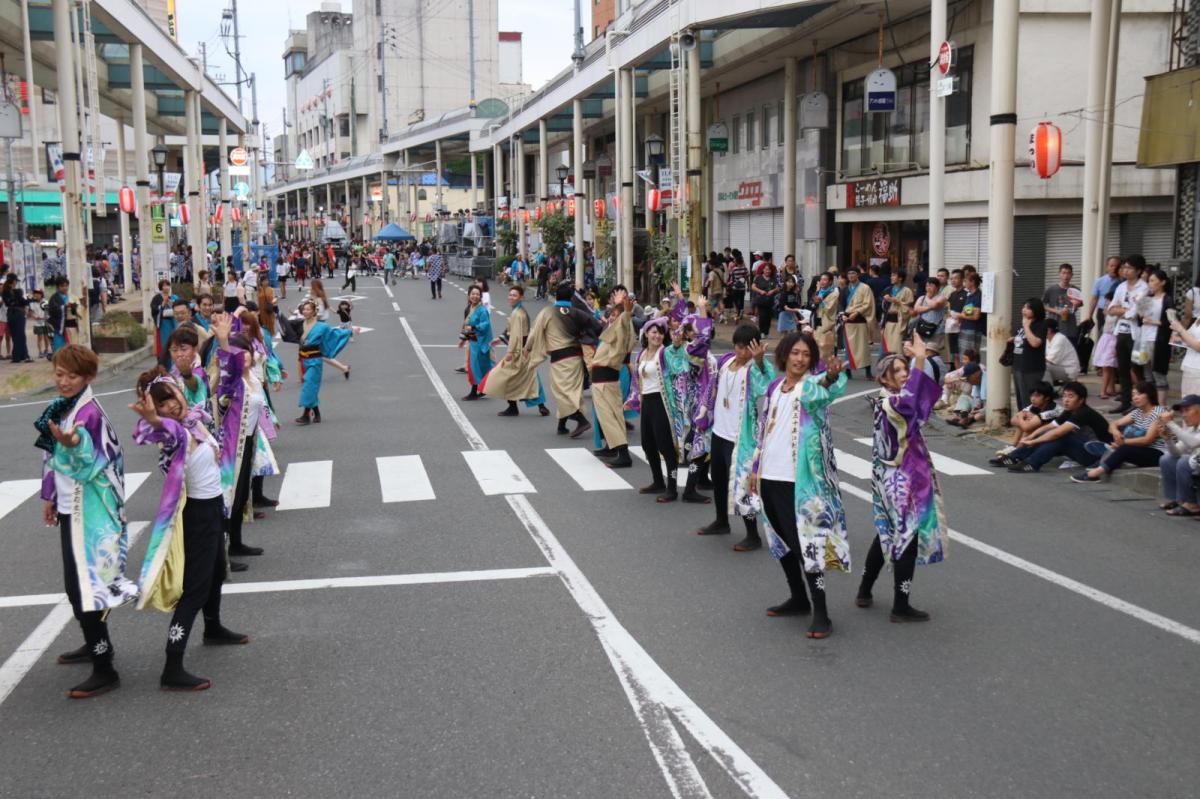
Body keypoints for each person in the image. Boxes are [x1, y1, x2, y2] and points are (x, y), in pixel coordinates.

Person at [129, 369, 249, 691]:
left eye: (172, 397)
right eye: (161, 403)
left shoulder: (195, 421)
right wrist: (155, 420)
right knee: (195, 588)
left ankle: (213, 628)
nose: (170, 406)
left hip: (214, 507)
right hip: (196, 514)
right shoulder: (175, 436)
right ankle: (172, 664)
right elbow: (159, 430)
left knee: (216, 571)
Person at [35, 345, 138, 698]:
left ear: (89, 377)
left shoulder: (89, 413)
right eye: (59, 374)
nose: (63, 381)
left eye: (72, 376)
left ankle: (104, 665)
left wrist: (72, 445)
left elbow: (91, 462)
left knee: (86, 588)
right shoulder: (63, 406)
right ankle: (92, 642)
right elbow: (51, 454)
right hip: (71, 507)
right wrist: (51, 494)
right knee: (75, 586)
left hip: (92, 513)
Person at [746, 331, 849, 639]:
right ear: (785, 355)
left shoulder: (812, 386)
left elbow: (825, 390)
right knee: (781, 541)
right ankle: (798, 598)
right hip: (769, 476)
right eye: (795, 353)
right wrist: (755, 468)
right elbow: (764, 429)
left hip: (800, 481)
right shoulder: (776, 387)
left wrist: (830, 376)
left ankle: (822, 612)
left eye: (806, 354)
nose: (800, 359)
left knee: (807, 544)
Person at [855, 331, 947, 622]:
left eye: (905, 369)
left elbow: (922, 398)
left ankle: (864, 590)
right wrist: (919, 359)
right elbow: (911, 401)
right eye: (897, 371)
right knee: (908, 537)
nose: (904, 374)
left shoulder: (890, 401)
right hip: (902, 481)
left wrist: (919, 364)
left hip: (895, 477)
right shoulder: (891, 403)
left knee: (887, 533)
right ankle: (900, 605)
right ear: (884, 378)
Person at [697, 323, 775, 550]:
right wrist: (704, 417)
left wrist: (759, 361)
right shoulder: (726, 362)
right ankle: (721, 521)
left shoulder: (753, 370)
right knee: (719, 479)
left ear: (754, 347)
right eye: (738, 346)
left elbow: (766, 385)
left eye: (746, 348)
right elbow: (711, 389)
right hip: (719, 432)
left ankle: (753, 535)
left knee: (743, 486)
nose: (741, 352)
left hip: (740, 438)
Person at [525, 282, 600, 438]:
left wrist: (527, 348)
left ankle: (581, 420)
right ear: (571, 297)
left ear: (556, 296)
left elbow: (534, 332)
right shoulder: (578, 312)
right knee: (571, 391)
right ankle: (562, 425)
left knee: (562, 392)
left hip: (560, 359)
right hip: (576, 358)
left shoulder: (547, 312)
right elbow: (597, 327)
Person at [626, 317, 683, 501]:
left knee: (665, 446)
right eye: (654, 332)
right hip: (647, 402)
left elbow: (677, 358)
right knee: (647, 444)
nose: (657, 336)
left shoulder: (664, 353)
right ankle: (658, 481)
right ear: (646, 334)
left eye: (660, 333)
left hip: (661, 402)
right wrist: (632, 399)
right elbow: (637, 381)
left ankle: (672, 489)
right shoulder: (641, 354)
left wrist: (676, 345)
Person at [996, 381, 1111, 473]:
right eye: (1064, 396)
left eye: (1070, 396)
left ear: (1081, 400)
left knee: (1063, 436)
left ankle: (1032, 463)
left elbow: (1057, 433)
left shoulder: (1084, 413)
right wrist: (1031, 436)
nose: (1066, 400)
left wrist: (1033, 441)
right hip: (1082, 449)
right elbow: (1050, 426)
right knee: (1048, 433)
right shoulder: (1069, 411)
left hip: (1096, 456)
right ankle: (1013, 457)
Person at [1072, 381, 1167, 482]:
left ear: (1149, 395)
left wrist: (1123, 442)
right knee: (1122, 431)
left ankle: (1095, 473)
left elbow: (1147, 440)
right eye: (1133, 395)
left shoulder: (1159, 412)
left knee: (1124, 448)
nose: (1135, 398)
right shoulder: (1138, 412)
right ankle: (1110, 454)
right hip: (1142, 449)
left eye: (1139, 394)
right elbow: (1113, 424)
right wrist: (1116, 433)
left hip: (1159, 454)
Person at [482, 285, 549, 416]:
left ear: (521, 297)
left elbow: (516, 336)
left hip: (519, 352)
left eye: (514, 295)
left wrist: (511, 353)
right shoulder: (518, 311)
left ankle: (514, 407)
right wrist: (500, 339)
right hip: (522, 350)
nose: (511, 297)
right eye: (510, 294)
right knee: (530, 378)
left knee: (508, 377)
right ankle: (539, 406)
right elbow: (512, 331)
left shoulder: (518, 314)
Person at [588, 286, 636, 468]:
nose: (612, 318)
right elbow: (615, 325)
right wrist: (618, 308)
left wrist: (624, 312)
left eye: (616, 315)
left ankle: (623, 454)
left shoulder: (623, 328)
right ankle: (612, 447)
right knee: (607, 416)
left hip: (606, 380)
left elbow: (623, 325)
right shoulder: (615, 330)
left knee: (610, 417)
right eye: (612, 315)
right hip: (603, 380)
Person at [1108, 255, 1148, 414]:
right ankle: (1125, 401)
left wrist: (1122, 311)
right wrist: (1124, 310)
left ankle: (1142, 404)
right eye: (1124, 267)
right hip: (1121, 332)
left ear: (1138, 271)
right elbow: (1110, 309)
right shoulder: (1121, 286)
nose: (1125, 270)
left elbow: (1136, 313)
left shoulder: (1144, 288)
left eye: (1129, 268)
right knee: (1122, 369)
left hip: (1136, 334)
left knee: (1137, 369)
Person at [1156, 395, 1200, 516]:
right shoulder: (1192, 430)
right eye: (1182, 412)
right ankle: (1176, 499)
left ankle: (1192, 504)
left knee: (1185, 461)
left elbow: (1193, 443)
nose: (1183, 415)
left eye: (1187, 410)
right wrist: (1168, 440)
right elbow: (1176, 452)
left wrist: (1170, 423)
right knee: (1166, 459)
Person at [1138, 268, 1174, 400]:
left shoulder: (1167, 299)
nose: (1150, 283)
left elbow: (1172, 321)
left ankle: (1161, 406)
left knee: (1158, 373)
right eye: (1149, 281)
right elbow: (1140, 317)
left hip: (1158, 340)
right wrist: (1141, 299)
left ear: (1162, 282)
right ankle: (1150, 403)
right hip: (1144, 338)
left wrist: (1153, 322)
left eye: (1153, 281)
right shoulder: (1148, 298)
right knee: (1147, 373)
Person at [1010, 298, 1048, 410]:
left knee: (1029, 400)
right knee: (1020, 399)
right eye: (1024, 307)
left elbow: (1035, 343)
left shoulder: (1041, 325)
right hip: (1018, 366)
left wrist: (1026, 326)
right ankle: (1022, 418)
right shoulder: (1019, 325)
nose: (1024, 310)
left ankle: (1031, 418)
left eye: (1028, 308)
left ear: (1036, 310)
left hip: (1032, 368)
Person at [460, 285, 494, 401]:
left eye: (477, 294)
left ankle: (474, 391)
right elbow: (466, 325)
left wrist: (474, 327)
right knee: (477, 367)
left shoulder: (482, 310)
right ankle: (482, 389)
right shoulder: (468, 308)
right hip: (473, 340)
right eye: (473, 294)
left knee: (476, 367)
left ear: (480, 297)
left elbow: (485, 325)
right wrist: (463, 339)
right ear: (469, 295)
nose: (475, 296)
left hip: (480, 341)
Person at [842, 265, 876, 377]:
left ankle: (868, 371)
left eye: (853, 273)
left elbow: (868, 304)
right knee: (848, 348)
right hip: (848, 322)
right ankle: (848, 371)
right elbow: (841, 305)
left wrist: (857, 312)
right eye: (849, 274)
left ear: (858, 275)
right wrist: (842, 315)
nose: (851, 275)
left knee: (863, 348)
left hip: (860, 320)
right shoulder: (845, 289)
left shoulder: (865, 288)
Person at [880, 269, 914, 355]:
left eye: (894, 275)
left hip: (899, 324)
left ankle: (899, 362)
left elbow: (910, 309)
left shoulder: (907, 291)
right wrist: (883, 326)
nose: (891, 277)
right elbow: (883, 308)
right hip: (888, 323)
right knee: (887, 349)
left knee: (897, 348)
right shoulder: (887, 290)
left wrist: (897, 302)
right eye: (891, 275)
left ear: (900, 278)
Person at [2, 273, 32, 362]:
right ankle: (21, 356)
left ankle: (20, 356)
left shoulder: (6, 291)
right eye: (15, 281)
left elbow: (17, 301)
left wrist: (27, 300)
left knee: (16, 335)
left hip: (11, 314)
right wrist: (27, 300)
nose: (16, 283)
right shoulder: (12, 291)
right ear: (13, 281)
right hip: (17, 314)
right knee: (20, 335)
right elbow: (20, 302)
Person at [1169, 312, 1200, 396]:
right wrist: (1178, 337)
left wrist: (1180, 329)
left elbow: (1198, 347)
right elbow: (1190, 339)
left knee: (1194, 402)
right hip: (1189, 366)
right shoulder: (1198, 317)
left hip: (1197, 370)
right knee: (1186, 400)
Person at [1043, 317, 1082, 383]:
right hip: (1059, 367)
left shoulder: (1059, 339)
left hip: (1069, 370)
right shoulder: (1048, 339)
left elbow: (1049, 361)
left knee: (1043, 367)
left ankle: (1047, 389)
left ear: (1049, 330)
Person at [750, 262, 780, 337]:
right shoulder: (758, 277)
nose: (767, 271)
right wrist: (760, 291)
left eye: (769, 270)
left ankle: (767, 332)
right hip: (761, 300)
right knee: (762, 316)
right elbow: (753, 287)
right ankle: (762, 332)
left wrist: (773, 291)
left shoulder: (773, 278)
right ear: (763, 270)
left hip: (770, 301)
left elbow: (777, 288)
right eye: (766, 269)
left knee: (768, 317)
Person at [151, 280, 178, 357]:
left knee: (174, 342)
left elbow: (180, 305)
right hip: (163, 323)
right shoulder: (157, 298)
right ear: (161, 287)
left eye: (168, 285)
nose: (166, 287)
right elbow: (154, 309)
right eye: (164, 286)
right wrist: (162, 305)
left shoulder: (174, 297)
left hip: (173, 322)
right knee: (164, 343)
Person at [46, 276, 72, 352]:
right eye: (62, 286)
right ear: (57, 287)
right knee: (59, 348)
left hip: (70, 326)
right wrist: (65, 307)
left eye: (66, 286)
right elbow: (53, 310)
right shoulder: (54, 298)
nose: (65, 288)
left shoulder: (71, 297)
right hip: (58, 327)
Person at [726, 250, 749, 321]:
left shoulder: (734, 269)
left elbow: (732, 279)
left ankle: (739, 310)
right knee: (742, 300)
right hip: (742, 288)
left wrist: (728, 284)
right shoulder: (745, 269)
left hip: (735, 287)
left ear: (736, 262)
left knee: (735, 299)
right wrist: (748, 286)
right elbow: (747, 278)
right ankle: (741, 310)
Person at [28, 287, 49, 358]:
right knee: (39, 337)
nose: (36, 295)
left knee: (46, 337)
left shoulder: (45, 302)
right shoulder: (32, 303)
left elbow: (48, 311)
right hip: (37, 323)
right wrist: (35, 317)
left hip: (45, 322)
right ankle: (40, 351)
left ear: (41, 294)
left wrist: (45, 317)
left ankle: (46, 350)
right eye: (35, 293)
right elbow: (31, 312)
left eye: (38, 293)